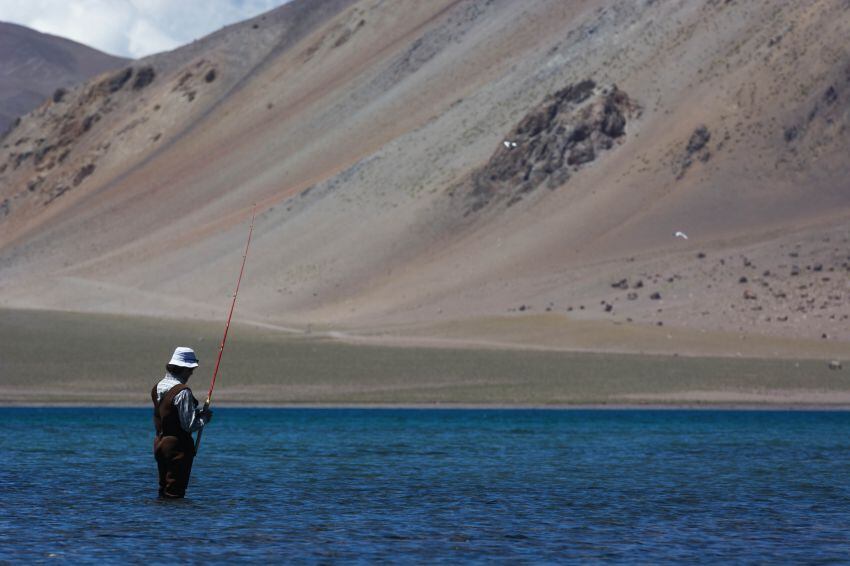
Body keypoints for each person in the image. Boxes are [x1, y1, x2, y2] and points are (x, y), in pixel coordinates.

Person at [151, 347, 212, 498]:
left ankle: (160, 520)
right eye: (190, 369)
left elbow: (170, 413)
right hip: (178, 448)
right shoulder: (183, 392)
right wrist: (204, 418)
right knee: (175, 493)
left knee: (163, 490)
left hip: (159, 444)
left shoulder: (158, 387)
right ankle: (176, 521)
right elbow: (189, 425)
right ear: (183, 368)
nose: (191, 373)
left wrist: (196, 413)